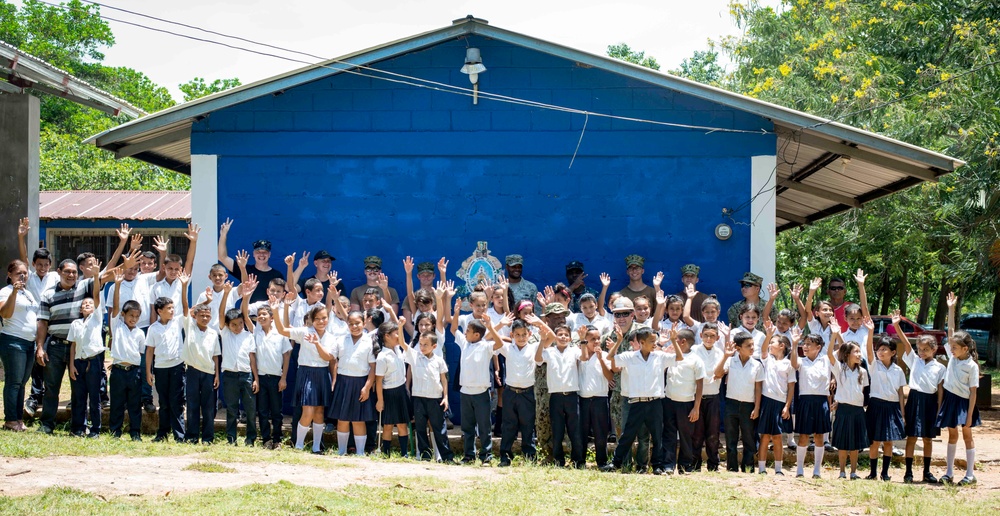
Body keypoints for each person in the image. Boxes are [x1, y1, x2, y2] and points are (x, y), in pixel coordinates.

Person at [600, 326, 683, 474]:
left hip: (655, 402)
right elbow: (610, 357)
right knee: (628, 435)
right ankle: (616, 463)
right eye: (652, 341)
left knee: (657, 435)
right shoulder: (630, 357)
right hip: (636, 402)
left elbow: (679, 357)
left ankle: (657, 465)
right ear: (642, 342)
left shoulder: (659, 356)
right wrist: (618, 341)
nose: (655, 344)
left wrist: (673, 340)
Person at [35, 258, 97, 434]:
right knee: (51, 388)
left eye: (74, 272)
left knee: (78, 389)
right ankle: (47, 424)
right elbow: (42, 323)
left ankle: (78, 427)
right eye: (67, 272)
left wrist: (124, 246)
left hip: (77, 348)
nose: (71, 275)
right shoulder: (48, 295)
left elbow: (105, 275)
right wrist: (40, 347)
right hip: (54, 346)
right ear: (59, 272)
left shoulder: (83, 287)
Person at [273, 301, 338, 454]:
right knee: (307, 411)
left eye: (324, 318)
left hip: (322, 373)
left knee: (319, 412)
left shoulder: (332, 338)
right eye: (317, 319)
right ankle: (299, 445)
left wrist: (317, 344)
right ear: (312, 320)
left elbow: (328, 357)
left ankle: (316, 447)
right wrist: (275, 311)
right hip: (306, 372)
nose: (321, 322)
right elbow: (282, 330)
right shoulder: (304, 331)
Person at [893, 310, 945, 484]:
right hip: (914, 400)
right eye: (920, 349)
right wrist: (896, 325)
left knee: (928, 438)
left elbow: (940, 391)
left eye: (926, 349)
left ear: (934, 349)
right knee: (912, 436)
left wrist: (939, 411)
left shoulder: (940, 368)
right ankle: (908, 472)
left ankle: (927, 471)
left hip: (930, 402)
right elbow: (906, 344)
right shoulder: (914, 361)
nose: (921, 352)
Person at [452, 300, 503, 464]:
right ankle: (469, 455)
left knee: (484, 427)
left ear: (477, 335)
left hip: (481, 393)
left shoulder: (486, 346)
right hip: (465, 392)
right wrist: (456, 312)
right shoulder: (464, 344)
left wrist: (491, 326)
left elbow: (500, 343)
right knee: (467, 427)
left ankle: (486, 455)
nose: (464, 332)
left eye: (468, 330)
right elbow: (453, 329)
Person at [938, 292, 981, 485]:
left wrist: (970, 415)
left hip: (965, 403)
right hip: (950, 400)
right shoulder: (953, 358)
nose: (951, 349)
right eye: (951, 347)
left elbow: (973, 392)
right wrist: (951, 308)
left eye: (955, 347)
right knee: (952, 434)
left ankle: (970, 474)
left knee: (967, 434)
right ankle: (949, 472)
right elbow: (951, 332)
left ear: (965, 348)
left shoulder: (971, 366)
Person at [534, 322, 584, 469]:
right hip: (555, 396)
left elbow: (585, 357)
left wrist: (582, 340)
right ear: (555, 337)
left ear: (570, 338)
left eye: (566, 335)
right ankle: (558, 460)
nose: (563, 337)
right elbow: (537, 360)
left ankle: (578, 461)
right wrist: (542, 340)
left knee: (574, 430)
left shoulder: (574, 350)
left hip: (572, 395)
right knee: (557, 430)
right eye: (560, 334)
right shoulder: (549, 351)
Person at [329, 310, 377, 456]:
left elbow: (373, 368)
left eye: (357, 323)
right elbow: (332, 360)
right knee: (342, 418)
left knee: (358, 420)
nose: (354, 326)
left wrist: (367, 387)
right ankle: (341, 451)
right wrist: (335, 380)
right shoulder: (341, 340)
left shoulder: (370, 342)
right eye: (351, 323)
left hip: (360, 383)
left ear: (364, 323)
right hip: (343, 382)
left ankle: (360, 452)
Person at [714, 332, 763, 473]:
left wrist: (757, 407)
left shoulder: (757, 365)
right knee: (731, 438)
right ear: (738, 348)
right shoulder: (731, 361)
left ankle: (748, 467)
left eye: (753, 345)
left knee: (748, 438)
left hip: (749, 405)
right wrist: (725, 356)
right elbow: (717, 374)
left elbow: (758, 388)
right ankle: (732, 468)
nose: (752, 348)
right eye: (748, 345)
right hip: (731, 404)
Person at [402, 330, 454, 462]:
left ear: (434, 346)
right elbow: (402, 343)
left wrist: (445, 397)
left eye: (426, 344)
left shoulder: (439, 361)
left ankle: (446, 456)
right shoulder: (415, 357)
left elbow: (444, 380)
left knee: (439, 428)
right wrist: (400, 327)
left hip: (435, 398)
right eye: (421, 344)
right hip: (419, 398)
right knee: (420, 428)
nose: (422, 347)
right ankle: (425, 454)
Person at [67, 263, 106, 437]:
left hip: (94, 361)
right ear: (80, 308)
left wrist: (96, 277)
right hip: (78, 362)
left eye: (90, 304)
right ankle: (78, 427)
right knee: (78, 397)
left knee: (94, 397)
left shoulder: (96, 319)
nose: (88, 305)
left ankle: (96, 428)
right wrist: (72, 365)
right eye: (84, 304)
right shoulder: (75, 324)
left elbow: (96, 295)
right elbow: (73, 345)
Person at [219, 281, 260, 446]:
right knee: (231, 409)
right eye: (234, 325)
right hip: (229, 376)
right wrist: (226, 294)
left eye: (240, 324)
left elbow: (252, 358)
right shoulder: (225, 334)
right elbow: (221, 314)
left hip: (246, 375)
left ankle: (250, 438)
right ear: (228, 325)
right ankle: (231, 438)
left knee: (250, 409)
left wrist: (255, 378)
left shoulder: (248, 335)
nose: (237, 327)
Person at [108, 268, 147, 440]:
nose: (133, 319)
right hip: (118, 371)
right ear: (123, 315)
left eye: (137, 316)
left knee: (134, 404)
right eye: (130, 315)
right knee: (116, 403)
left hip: (134, 372)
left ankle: (135, 432)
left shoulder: (140, 333)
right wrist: (117, 286)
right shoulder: (118, 326)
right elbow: (115, 307)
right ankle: (115, 431)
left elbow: (140, 353)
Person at [181, 285, 222, 445]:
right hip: (192, 371)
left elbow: (216, 356)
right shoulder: (190, 327)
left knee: (208, 407)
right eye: (202, 315)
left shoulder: (213, 333)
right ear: (195, 316)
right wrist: (205, 300)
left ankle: (207, 437)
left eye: (207, 316)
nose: (205, 318)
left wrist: (217, 375)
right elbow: (187, 309)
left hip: (209, 373)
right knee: (192, 405)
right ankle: (191, 436)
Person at [0, 259, 39, 432]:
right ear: (10, 275)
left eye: (25, 273)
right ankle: (10, 420)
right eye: (18, 273)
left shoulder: (28, 293)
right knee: (13, 382)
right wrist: (14, 293)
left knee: (22, 382)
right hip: (12, 341)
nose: (23, 276)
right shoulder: (6, 291)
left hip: (29, 343)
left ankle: (18, 419)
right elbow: (5, 314)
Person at [864, 321, 905, 481]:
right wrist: (870, 332)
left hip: (892, 407)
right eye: (879, 349)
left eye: (884, 349)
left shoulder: (898, 370)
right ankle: (873, 472)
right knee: (874, 441)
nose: (880, 352)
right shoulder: (874, 366)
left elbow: (901, 393)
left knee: (888, 442)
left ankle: (885, 473)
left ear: (893, 352)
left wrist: (902, 413)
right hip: (876, 406)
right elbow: (868, 351)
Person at [496, 316, 539, 466]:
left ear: (529, 334)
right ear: (512, 335)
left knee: (528, 425)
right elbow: (489, 337)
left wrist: (539, 322)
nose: (521, 338)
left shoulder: (534, 348)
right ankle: (505, 456)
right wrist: (496, 325)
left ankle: (529, 456)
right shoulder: (507, 349)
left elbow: (549, 337)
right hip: (510, 392)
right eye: (517, 335)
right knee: (508, 425)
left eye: (524, 334)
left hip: (527, 392)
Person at [146, 292, 189, 442]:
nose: (172, 311)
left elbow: (186, 309)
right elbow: (150, 351)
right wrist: (148, 372)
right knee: (163, 402)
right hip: (160, 368)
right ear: (159, 311)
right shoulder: (153, 328)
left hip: (177, 366)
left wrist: (184, 287)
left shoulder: (177, 322)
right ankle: (162, 433)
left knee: (176, 401)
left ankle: (180, 435)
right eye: (169, 308)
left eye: (172, 308)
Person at [662, 328, 706, 475]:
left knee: (686, 435)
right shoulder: (671, 356)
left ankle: (685, 465)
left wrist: (696, 407)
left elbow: (700, 384)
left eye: (675, 339)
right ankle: (668, 464)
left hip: (686, 403)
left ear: (682, 342)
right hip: (669, 401)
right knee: (669, 433)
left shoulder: (696, 360)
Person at [829, 320, 869, 479]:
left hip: (858, 410)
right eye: (856, 352)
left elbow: (863, 392)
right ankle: (842, 472)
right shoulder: (840, 369)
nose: (859, 355)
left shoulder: (863, 372)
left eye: (860, 352)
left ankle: (853, 472)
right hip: (843, 410)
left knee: (855, 445)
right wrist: (834, 335)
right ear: (847, 355)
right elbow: (829, 355)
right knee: (843, 444)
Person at [790, 330, 832, 478]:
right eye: (804, 343)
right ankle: (799, 469)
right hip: (805, 401)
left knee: (819, 437)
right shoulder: (802, 360)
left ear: (818, 347)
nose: (805, 346)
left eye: (809, 344)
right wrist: (795, 344)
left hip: (821, 402)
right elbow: (794, 363)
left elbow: (838, 355)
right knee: (803, 436)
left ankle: (817, 471)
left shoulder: (826, 360)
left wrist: (836, 334)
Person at [756, 327, 795, 475]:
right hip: (767, 401)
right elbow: (763, 349)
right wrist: (769, 335)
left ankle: (778, 469)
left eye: (773, 342)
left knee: (778, 437)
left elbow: (791, 387)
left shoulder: (789, 364)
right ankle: (762, 468)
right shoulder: (767, 360)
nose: (770, 344)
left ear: (782, 346)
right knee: (765, 436)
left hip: (780, 403)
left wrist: (787, 406)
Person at [252, 302, 292, 450]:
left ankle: (277, 439)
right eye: (259, 315)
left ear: (272, 318)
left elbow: (286, 356)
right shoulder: (256, 334)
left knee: (276, 411)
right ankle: (266, 439)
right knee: (262, 411)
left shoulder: (280, 335)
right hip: (262, 378)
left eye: (264, 314)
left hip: (276, 378)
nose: (261, 317)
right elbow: (253, 358)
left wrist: (283, 378)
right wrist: (256, 378)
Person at [217, 218, 283, 303]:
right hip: (247, 313)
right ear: (253, 254)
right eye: (258, 252)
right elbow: (222, 257)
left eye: (265, 252)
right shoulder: (244, 268)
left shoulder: (277, 275)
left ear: (269, 254)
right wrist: (223, 235)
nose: (261, 255)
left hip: (267, 314)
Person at [690, 322, 725, 472]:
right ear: (700, 336)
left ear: (717, 338)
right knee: (696, 433)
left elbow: (719, 373)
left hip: (713, 396)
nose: (709, 338)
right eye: (706, 335)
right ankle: (695, 463)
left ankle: (713, 464)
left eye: (712, 336)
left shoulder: (721, 353)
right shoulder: (694, 350)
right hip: (696, 396)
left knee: (712, 433)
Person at [373, 319, 411, 457]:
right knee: (388, 425)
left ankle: (404, 453)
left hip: (401, 391)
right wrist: (380, 400)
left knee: (402, 424)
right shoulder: (382, 356)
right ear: (387, 336)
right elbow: (378, 380)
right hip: (388, 393)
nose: (398, 336)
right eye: (395, 333)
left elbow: (401, 340)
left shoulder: (398, 349)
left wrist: (399, 325)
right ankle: (386, 452)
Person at [578, 324, 613, 469]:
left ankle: (602, 461)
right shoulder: (579, 354)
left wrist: (601, 359)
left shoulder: (605, 355)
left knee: (601, 432)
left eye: (598, 338)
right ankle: (579, 461)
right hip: (583, 399)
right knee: (582, 433)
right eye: (592, 339)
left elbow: (610, 376)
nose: (596, 341)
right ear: (585, 340)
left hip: (600, 398)